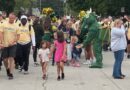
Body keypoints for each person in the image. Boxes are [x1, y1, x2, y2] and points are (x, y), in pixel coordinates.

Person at [0, 13, 20, 79]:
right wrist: (2, 42)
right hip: (5, 44)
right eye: (10, 18)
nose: (11, 19)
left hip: (13, 45)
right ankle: (7, 69)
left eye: (13, 18)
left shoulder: (16, 26)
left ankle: (11, 73)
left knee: (11, 58)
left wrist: (14, 41)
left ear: (15, 18)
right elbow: (1, 33)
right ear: (8, 17)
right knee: (5, 60)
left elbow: (18, 36)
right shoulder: (3, 24)